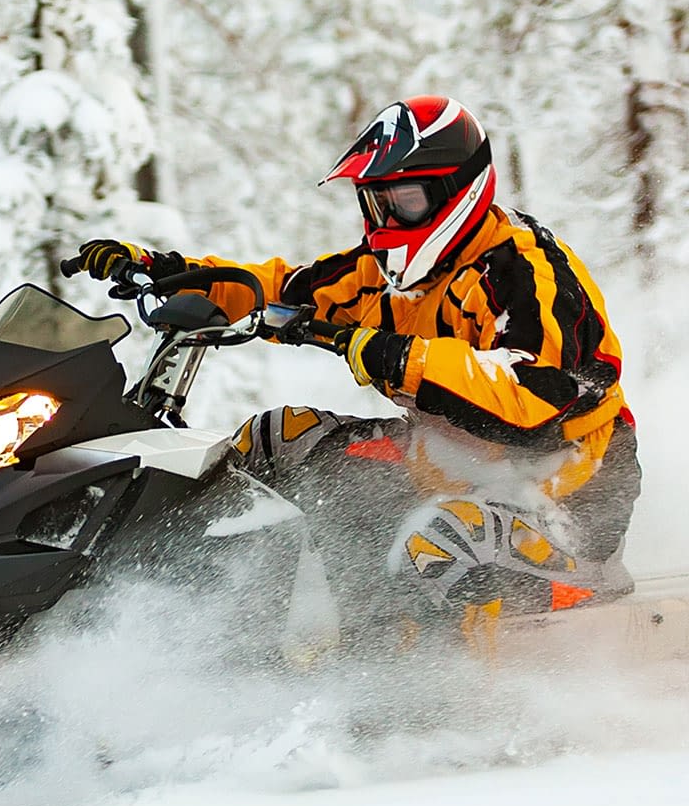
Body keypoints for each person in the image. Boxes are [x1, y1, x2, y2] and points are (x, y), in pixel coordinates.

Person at [69, 95, 640, 637]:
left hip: (565, 496)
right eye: (377, 201)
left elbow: (533, 400)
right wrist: (167, 270)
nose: (385, 219)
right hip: (453, 464)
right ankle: (204, 624)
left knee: (437, 543)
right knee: (278, 437)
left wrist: (390, 354)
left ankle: (436, 713)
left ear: (455, 191)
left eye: (403, 200)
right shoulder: (390, 273)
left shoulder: (527, 272)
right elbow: (280, 289)